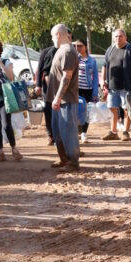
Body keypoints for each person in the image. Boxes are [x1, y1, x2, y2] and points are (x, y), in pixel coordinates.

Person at [47, 25, 80, 172]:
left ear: (59, 35)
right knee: (58, 132)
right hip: (59, 101)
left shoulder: (68, 51)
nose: (52, 39)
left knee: (68, 132)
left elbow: (67, 76)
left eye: (53, 36)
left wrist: (58, 97)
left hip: (65, 100)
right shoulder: (62, 50)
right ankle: (64, 159)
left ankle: (73, 162)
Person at [101, 29, 131, 141]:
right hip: (112, 86)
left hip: (127, 86)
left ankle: (126, 132)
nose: (118, 38)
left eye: (120, 36)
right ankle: (113, 132)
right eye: (116, 36)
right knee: (112, 108)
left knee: (127, 109)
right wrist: (103, 80)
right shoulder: (110, 49)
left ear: (125, 37)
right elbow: (105, 65)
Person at [0, 39, 23, 160]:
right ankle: (0, 151)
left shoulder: (5, 61)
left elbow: (11, 77)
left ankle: (14, 149)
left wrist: (0, 64)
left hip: (5, 98)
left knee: (6, 124)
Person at [73, 39, 98, 144]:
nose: (78, 48)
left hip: (88, 89)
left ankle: (84, 133)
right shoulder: (74, 59)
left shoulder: (92, 61)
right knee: (76, 111)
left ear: (86, 46)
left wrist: (95, 92)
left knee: (87, 112)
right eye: (76, 46)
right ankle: (76, 132)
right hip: (76, 90)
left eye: (80, 46)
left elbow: (95, 77)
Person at [36, 43, 57, 146]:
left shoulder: (68, 50)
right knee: (48, 110)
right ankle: (50, 135)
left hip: (62, 88)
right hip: (47, 89)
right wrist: (38, 85)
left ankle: (59, 135)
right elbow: (40, 69)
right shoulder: (46, 52)